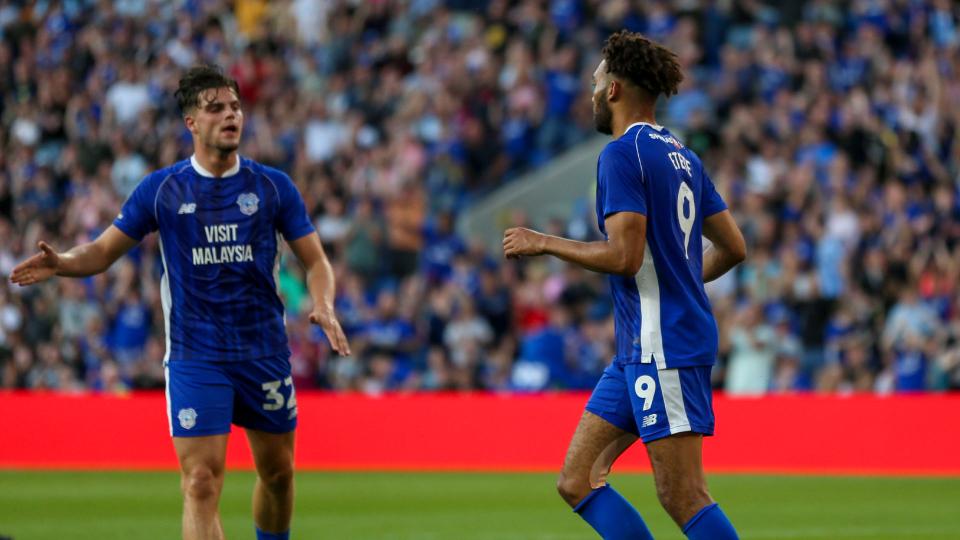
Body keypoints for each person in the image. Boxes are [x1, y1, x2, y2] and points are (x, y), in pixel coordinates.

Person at [10, 65, 351, 540]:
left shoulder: (272, 186)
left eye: (235, 107)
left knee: (278, 474)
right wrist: (63, 262)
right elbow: (102, 251)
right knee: (199, 481)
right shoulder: (162, 190)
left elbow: (316, 261)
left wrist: (324, 303)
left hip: (263, 351)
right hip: (196, 355)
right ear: (191, 122)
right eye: (216, 109)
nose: (230, 115)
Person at [504, 31, 745, 540]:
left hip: (664, 343)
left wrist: (544, 242)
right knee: (577, 479)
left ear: (613, 89)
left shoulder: (621, 153)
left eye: (596, 81)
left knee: (683, 494)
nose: (592, 91)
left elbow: (624, 256)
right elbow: (733, 247)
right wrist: (681, 277)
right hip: (640, 346)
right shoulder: (682, 155)